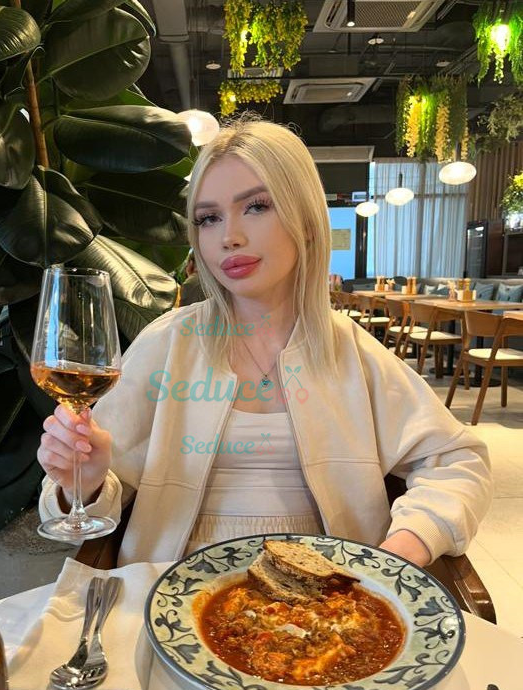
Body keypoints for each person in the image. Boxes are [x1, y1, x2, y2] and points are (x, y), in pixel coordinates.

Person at [37, 117, 492, 568]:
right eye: (209, 218)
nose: (229, 237)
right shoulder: (168, 343)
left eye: (256, 207)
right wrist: (85, 482)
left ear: (307, 221)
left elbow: (458, 461)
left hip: (328, 594)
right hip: (172, 590)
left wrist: (401, 553)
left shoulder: (350, 350)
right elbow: (87, 492)